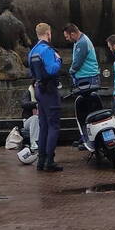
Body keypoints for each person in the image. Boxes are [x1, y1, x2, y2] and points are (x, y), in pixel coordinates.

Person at [28, 23, 64, 172]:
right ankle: (50, 160)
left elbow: (31, 72)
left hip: (38, 89)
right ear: (48, 33)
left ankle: (41, 160)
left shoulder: (33, 51)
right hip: (49, 90)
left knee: (43, 126)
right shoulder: (47, 50)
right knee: (53, 125)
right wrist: (59, 60)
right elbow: (52, 69)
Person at [64, 23, 99, 88]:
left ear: (72, 34)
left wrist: (70, 72)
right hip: (87, 77)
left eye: (67, 36)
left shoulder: (82, 43)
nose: (66, 39)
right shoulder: (79, 40)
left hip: (87, 77)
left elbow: (77, 63)